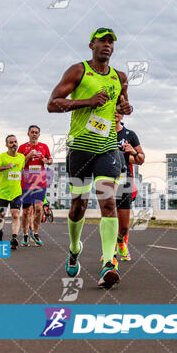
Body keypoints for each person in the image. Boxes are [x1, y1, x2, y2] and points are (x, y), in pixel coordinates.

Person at [47, 27, 132, 289]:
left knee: (108, 203)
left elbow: (121, 105)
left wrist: (125, 108)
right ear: (91, 45)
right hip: (80, 149)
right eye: (102, 41)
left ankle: (108, 263)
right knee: (79, 205)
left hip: (107, 149)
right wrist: (86, 102)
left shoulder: (120, 77)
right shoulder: (78, 71)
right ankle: (74, 248)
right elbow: (52, 103)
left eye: (111, 42)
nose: (107, 45)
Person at [114, 110, 144, 261]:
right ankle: (110, 253)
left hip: (125, 181)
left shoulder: (129, 134)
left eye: (118, 111)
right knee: (109, 217)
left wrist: (133, 151)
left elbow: (141, 159)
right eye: (112, 111)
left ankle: (121, 241)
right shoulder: (102, 134)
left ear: (122, 115)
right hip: (106, 180)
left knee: (124, 225)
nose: (115, 114)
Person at [18, 125, 52, 246]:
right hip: (26, 183)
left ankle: (35, 233)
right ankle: (26, 235)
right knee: (26, 211)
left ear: (39, 134)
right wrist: (28, 155)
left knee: (38, 208)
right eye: (32, 132)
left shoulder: (44, 147)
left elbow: (50, 160)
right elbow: (20, 164)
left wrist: (46, 161)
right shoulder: (22, 147)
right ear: (28, 134)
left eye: (36, 132)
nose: (34, 134)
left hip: (40, 182)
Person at [0, 135, 25, 249]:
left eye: (15, 141)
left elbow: (21, 170)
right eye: (11, 142)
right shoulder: (2, 157)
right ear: (7, 145)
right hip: (3, 193)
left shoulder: (21, 157)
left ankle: (14, 238)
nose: (14, 144)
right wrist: (5, 167)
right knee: (1, 216)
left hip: (16, 192)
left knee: (15, 215)